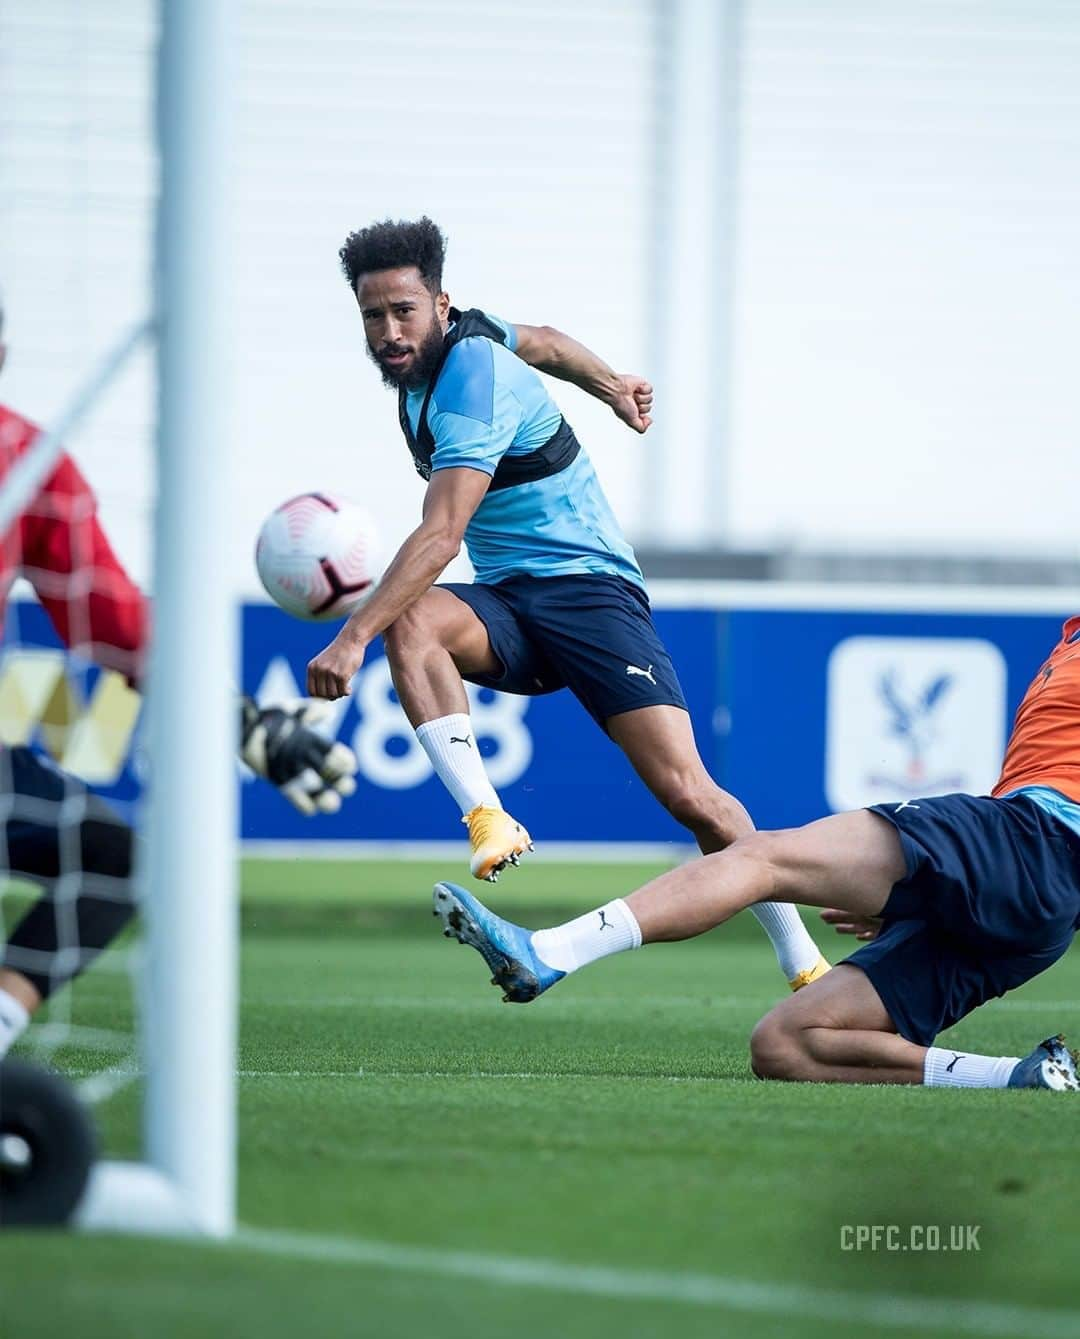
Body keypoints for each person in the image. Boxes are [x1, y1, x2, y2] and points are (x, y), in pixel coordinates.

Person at [305, 216, 828, 992]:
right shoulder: (437, 364)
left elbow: (443, 533)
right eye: (371, 316)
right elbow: (545, 340)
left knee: (691, 796)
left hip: (590, 594)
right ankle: (487, 819)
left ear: (441, 305)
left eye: (401, 312)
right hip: (512, 602)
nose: (387, 331)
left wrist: (351, 638)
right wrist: (613, 385)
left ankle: (804, 960)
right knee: (414, 620)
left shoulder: (471, 378)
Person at [431, 614, 1080, 1091]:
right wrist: (941, 895)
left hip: (1030, 839)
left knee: (761, 860)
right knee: (787, 1045)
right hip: (1033, 896)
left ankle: (548, 953)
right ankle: (1021, 1077)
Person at [0, 297, 358, 1059]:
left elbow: (117, 625)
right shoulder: (25, 456)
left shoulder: (32, 464)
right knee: (111, 859)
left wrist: (237, 719)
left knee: (112, 856)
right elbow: (115, 627)